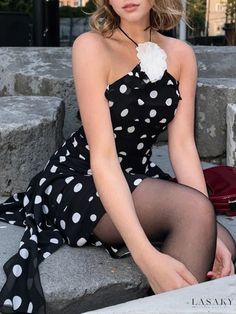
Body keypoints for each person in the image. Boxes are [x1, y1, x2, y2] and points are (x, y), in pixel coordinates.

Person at [0, 0, 236, 313]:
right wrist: (146, 257)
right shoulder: (91, 47)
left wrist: (207, 218)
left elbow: (182, 146)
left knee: (223, 244)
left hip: (140, 174)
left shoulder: (181, 55)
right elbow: (104, 159)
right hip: (83, 176)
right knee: (194, 215)